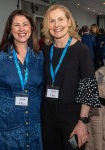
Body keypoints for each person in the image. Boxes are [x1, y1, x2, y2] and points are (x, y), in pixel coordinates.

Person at [0, 9, 44, 150]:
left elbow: (40, 88)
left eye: (25, 24)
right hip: (7, 124)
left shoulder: (39, 56)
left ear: (31, 28)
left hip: (34, 122)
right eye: (17, 25)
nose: (21, 29)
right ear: (10, 29)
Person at [41, 4, 101, 150]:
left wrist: (82, 121)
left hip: (72, 116)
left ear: (69, 22)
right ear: (47, 25)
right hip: (47, 114)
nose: (56, 25)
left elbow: (88, 90)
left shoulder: (82, 51)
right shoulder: (45, 50)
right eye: (52, 20)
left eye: (60, 19)